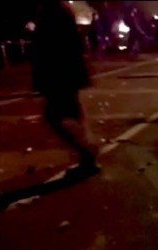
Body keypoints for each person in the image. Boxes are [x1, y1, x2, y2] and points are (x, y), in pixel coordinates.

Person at [30, 1, 99, 177]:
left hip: (59, 72)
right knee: (72, 112)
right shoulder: (60, 10)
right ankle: (88, 156)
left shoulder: (52, 11)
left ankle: (87, 151)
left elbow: (48, 45)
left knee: (54, 115)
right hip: (66, 72)